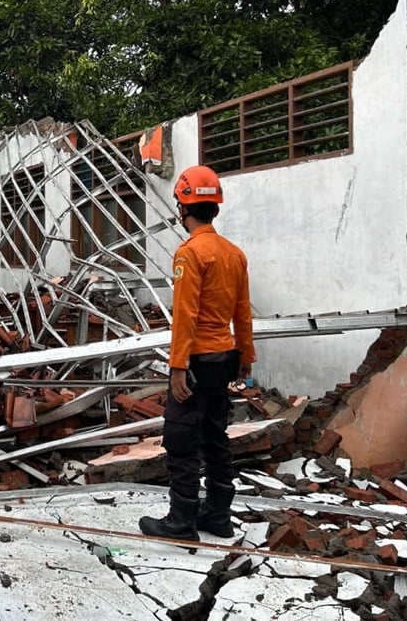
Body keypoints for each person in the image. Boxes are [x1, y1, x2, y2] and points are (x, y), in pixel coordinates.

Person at [139, 164, 255, 542]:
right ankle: (218, 515)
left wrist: (177, 367)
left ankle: (182, 520)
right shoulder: (233, 254)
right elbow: (243, 310)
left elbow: (185, 316)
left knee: (181, 439)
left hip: (196, 362)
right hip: (224, 357)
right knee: (215, 436)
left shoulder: (189, 254)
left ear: (182, 208)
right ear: (215, 209)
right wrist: (246, 356)